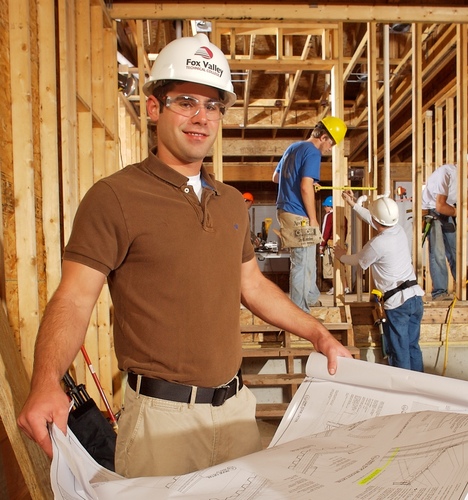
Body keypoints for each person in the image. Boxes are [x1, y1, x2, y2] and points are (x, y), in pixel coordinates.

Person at [17, 34, 351, 478]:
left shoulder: (232, 202)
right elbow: (75, 299)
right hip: (160, 424)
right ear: (154, 108)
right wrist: (44, 381)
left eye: (213, 106)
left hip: (235, 412)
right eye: (186, 101)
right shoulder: (115, 197)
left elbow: (251, 286)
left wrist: (320, 334)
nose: (201, 117)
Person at [335, 193, 425, 372]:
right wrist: (354, 205)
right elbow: (374, 219)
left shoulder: (378, 244)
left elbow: (359, 261)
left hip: (398, 304)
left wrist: (341, 256)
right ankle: (420, 391)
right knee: (412, 347)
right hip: (415, 297)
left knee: (399, 352)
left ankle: (402, 394)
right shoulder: (398, 229)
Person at [272, 117, 347, 312]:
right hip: (298, 213)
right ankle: (299, 312)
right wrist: (314, 219)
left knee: (307, 258)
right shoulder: (313, 152)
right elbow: (306, 187)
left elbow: (276, 178)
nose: (330, 148)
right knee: (301, 263)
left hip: (285, 210)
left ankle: (312, 297)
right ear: (323, 137)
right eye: (331, 143)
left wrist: (297, 180)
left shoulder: (293, 148)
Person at [421, 164, 457, 301]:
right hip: (431, 211)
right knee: (438, 252)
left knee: (456, 251)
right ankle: (440, 292)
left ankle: (464, 288)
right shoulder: (446, 173)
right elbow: (440, 206)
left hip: (448, 210)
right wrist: (459, 212)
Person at [319, 196, 350, 295]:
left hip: (330, 244)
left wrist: (321, 246)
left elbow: (325, 232)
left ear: (329, 206)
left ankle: (335, 287)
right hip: (340, 245)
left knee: (330, 267)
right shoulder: (343, 216)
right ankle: (346, 288)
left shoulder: (329, 216)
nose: (324, 209)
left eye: (325, 206)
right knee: (340, 266)